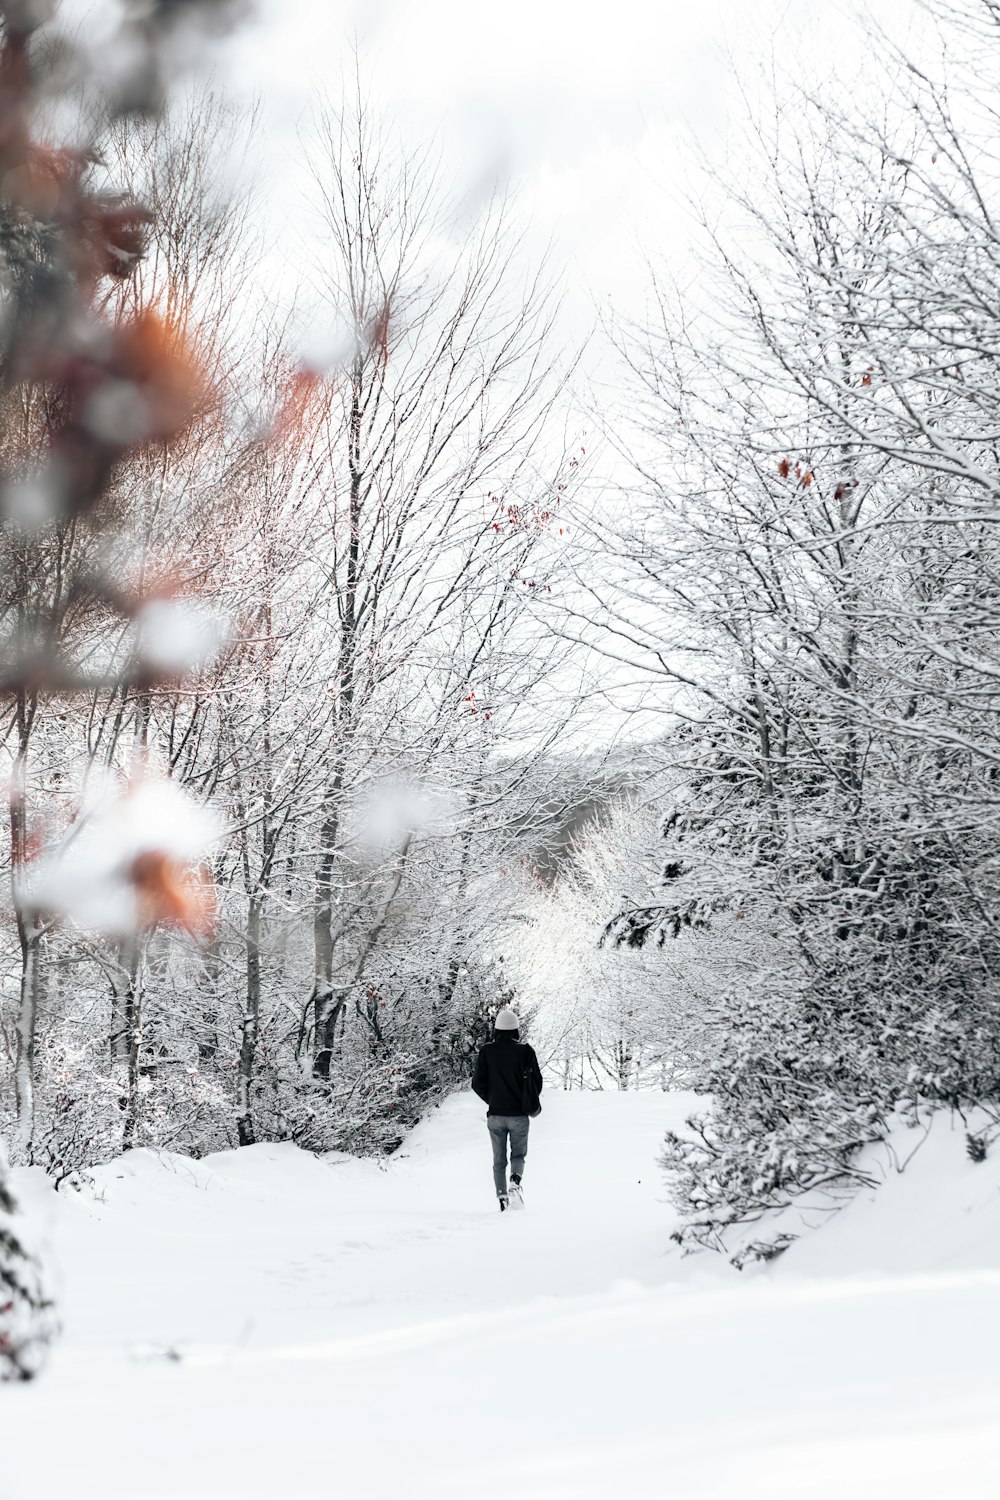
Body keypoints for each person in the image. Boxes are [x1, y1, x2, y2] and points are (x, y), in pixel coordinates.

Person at [471, 1007, 543, 1211]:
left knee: (498, 1160)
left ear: (497, 1029)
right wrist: (525, 1099)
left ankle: (502, 1199)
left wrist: (492, 1099)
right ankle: (515, 1182)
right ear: (515, 1029)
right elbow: (537, 1082)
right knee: (518, 1156)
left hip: (495, 1115)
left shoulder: (487, 1051)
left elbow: (477, 1084)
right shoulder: (525, 1051)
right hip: (519, 1115)